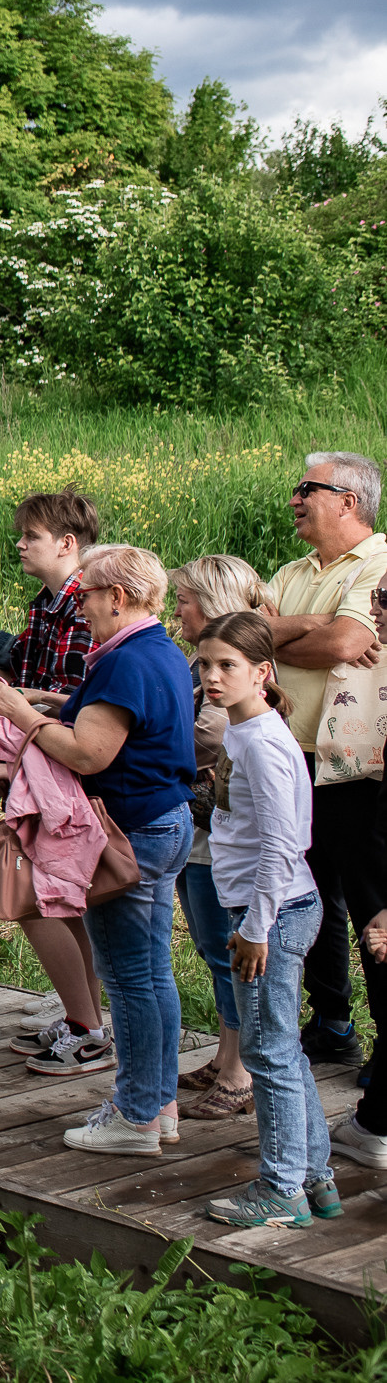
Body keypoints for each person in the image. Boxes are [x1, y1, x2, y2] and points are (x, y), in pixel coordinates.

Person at [0, 544, 195, 1158]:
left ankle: (133, 1117)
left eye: (91, 595)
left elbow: (89, 754)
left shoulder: (125, 661)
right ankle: (158, 1102)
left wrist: (24, 716)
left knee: (129, 980)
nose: (83, 607)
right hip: (164, 823)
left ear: (118, 598)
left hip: (128, 833)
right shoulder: (157, 650)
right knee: (153, 975)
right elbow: (105, 726)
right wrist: (55, 707)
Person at [191, 613, 336, 1225]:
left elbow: (284, 844)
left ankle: (282, 1190)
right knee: (281, 1050)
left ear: (262, 672)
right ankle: (316, 1177)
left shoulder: (267, 745)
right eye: (204, 665)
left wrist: (255, 927)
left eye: (228, 665)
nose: (213, 677)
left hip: (272, 911)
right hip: (260, 907)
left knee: (268, 1053)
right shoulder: (243, 733)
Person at [0, 491, 106, 1074]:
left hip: (57, 765)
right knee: (60, 899)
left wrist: (22, 726)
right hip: (33, 758)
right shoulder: (48, 604)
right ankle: (87, 1017)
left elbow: (71, 694)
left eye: (32, 536)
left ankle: (89, 1027)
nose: (20, 544)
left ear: (67, 544)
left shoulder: (82, 606)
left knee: (34, 897)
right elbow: (31, 673)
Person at [265, 452, 387, 1068]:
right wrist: (311, 627)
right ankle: (332, 1021)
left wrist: (283, 633)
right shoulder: (293, 569)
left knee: (374, 904)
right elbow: (241, 634)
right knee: (309, 892)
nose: (294, 499)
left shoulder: (380, 562)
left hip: (357, 765)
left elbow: (348, 642)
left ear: (348, 500)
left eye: (305, 488)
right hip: (294, 757)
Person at [168, 554, 274, 1118]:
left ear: (210, 602)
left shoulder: (229, 674)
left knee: (224, 949)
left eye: (184, 599)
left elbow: (198, 741)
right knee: (212, 947)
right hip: (203, 824)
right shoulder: (203, 662)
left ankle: (239, 1072)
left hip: (221, 835)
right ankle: (228, 1053)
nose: (176, 608)